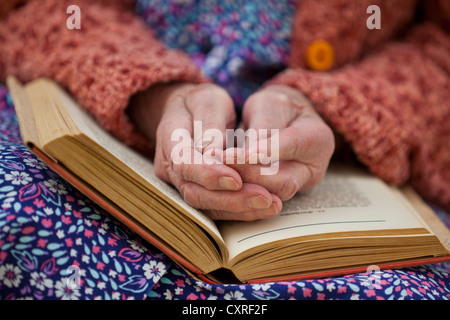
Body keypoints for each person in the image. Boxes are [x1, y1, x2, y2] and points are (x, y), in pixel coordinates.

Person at [0, 0, 449, 300]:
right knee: (14, 209)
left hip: (349, 157)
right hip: (104, 113)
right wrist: (155, 94)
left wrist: (333, 109)